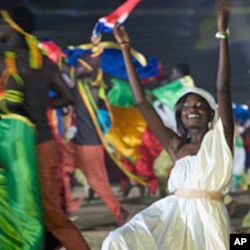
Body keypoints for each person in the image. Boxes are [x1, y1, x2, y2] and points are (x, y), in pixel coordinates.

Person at [102, 1, 234, 249]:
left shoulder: (220, 140)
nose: (191, 110)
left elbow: (223, 89)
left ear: (209, 114)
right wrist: (125, 48)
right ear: (180, 116)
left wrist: (222, 33)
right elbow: (141, 101)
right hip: (173, 216)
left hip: (209, 220)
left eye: (198, 106)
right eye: (185, 107)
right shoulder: (176, 146)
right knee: (118, 239)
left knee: (236, 243)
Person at [0, 5, 90, 250]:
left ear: (14, 27)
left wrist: (18, 114)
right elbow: (67, 97)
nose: (0, 28)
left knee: (28, 206)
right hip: (44, 140)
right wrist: (42, 105)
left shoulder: (5, 62)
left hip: (17, 144)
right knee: (45, 207)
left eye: (3, 23)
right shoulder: (43, 62)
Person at [60, 37, 131, 227]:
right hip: (75, 141)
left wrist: (55, 55)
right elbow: (67, 71)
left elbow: (69, 72)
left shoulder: (90, 88)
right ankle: (65, 208)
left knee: (98, 183)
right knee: (60, 169)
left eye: (81, 66)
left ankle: (120, 214)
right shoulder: (83, 86)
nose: (78, 68)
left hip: (89, 143)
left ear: (89, 70)